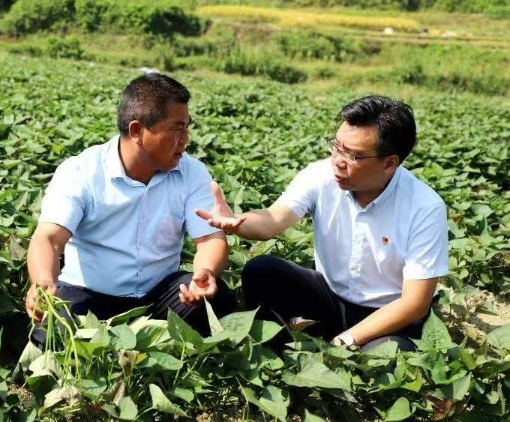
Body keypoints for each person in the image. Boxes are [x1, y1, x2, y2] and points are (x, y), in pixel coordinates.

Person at [197, 95, 448, 351]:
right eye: (337, 147)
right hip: (331, 298)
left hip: (388, 317)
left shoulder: (424, 207)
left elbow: (415, 303)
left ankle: (336, 347)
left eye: (353, 156)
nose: (338, 161)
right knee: (262, 270)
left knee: (389, 355)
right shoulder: (320, 175)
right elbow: (272, 221)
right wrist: (237, 222)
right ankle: (280, 355)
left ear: (390, 163)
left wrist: (347, 339)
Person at [25, 73, 236, 344]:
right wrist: (43, 282)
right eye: (176, 128)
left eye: (187, 127)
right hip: (89, 293)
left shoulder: (192, 173)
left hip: (159, 293)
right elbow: (49, 239)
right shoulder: (82, 171)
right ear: (137, 131)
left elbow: (209, 239)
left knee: (214, 305)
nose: (186, 139)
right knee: (53, 334)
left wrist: (205, 272)